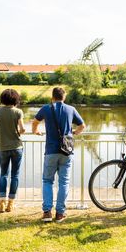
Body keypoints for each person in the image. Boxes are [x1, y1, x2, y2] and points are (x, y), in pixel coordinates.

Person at [32, 87, 86, 223]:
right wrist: (73, 133)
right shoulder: (71, 109)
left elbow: (35, 122)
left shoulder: (46, 108)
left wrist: (36, 131)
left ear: (52, 97)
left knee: (47, 181)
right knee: (64, 182)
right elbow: (82, 126)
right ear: (64, 97)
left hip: (50, 150)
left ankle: (47, 213)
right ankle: (60, 214)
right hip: (66, 151)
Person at [0, 88, 25, 213]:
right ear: (15, 99)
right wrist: (18, 133)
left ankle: (1, 203)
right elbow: (23, 129)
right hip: (17, 147)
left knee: (3, 174)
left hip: (3, 148)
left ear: (3, 99)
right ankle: (11, 203)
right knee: (15, 175)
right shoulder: (18, 112)